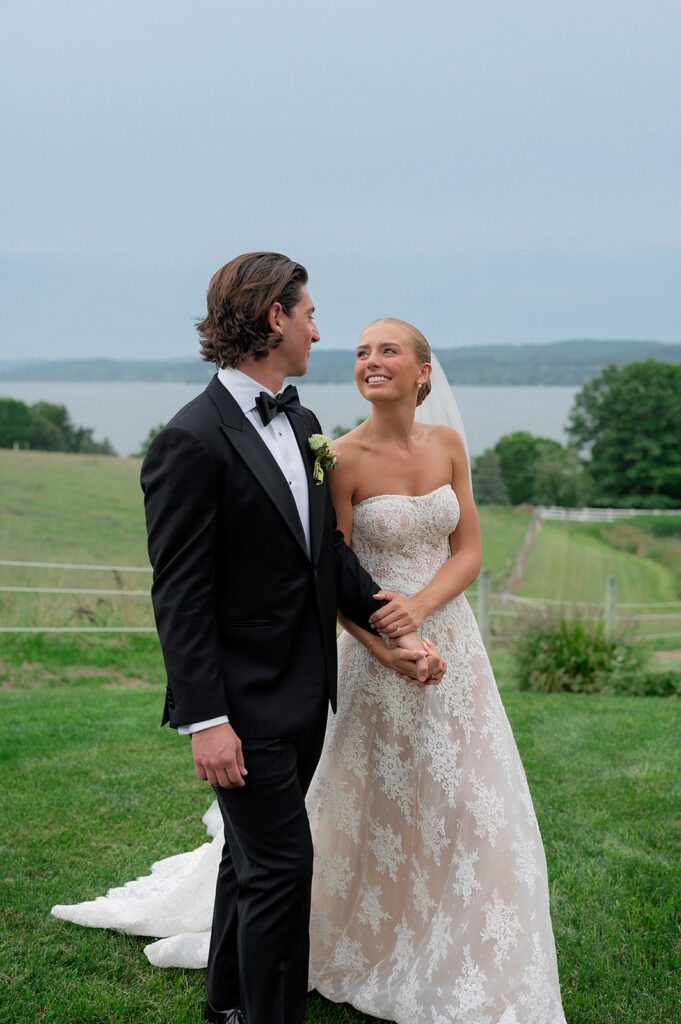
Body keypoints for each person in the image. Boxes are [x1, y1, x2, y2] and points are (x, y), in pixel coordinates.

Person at [53, 307, 567, 1023]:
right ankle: (275, 986)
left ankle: (417, 945)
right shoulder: (274, 445)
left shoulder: (310, 429)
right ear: (275, 319)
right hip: (344, 657)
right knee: (297, 849)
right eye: (336, 334)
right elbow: (203, 587)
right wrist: (383, 640)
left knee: (462, 805)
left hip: (434, 642)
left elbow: (375, 556)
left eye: (386, 349)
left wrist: (414, 615)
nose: (345, 350)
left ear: (425, 371)